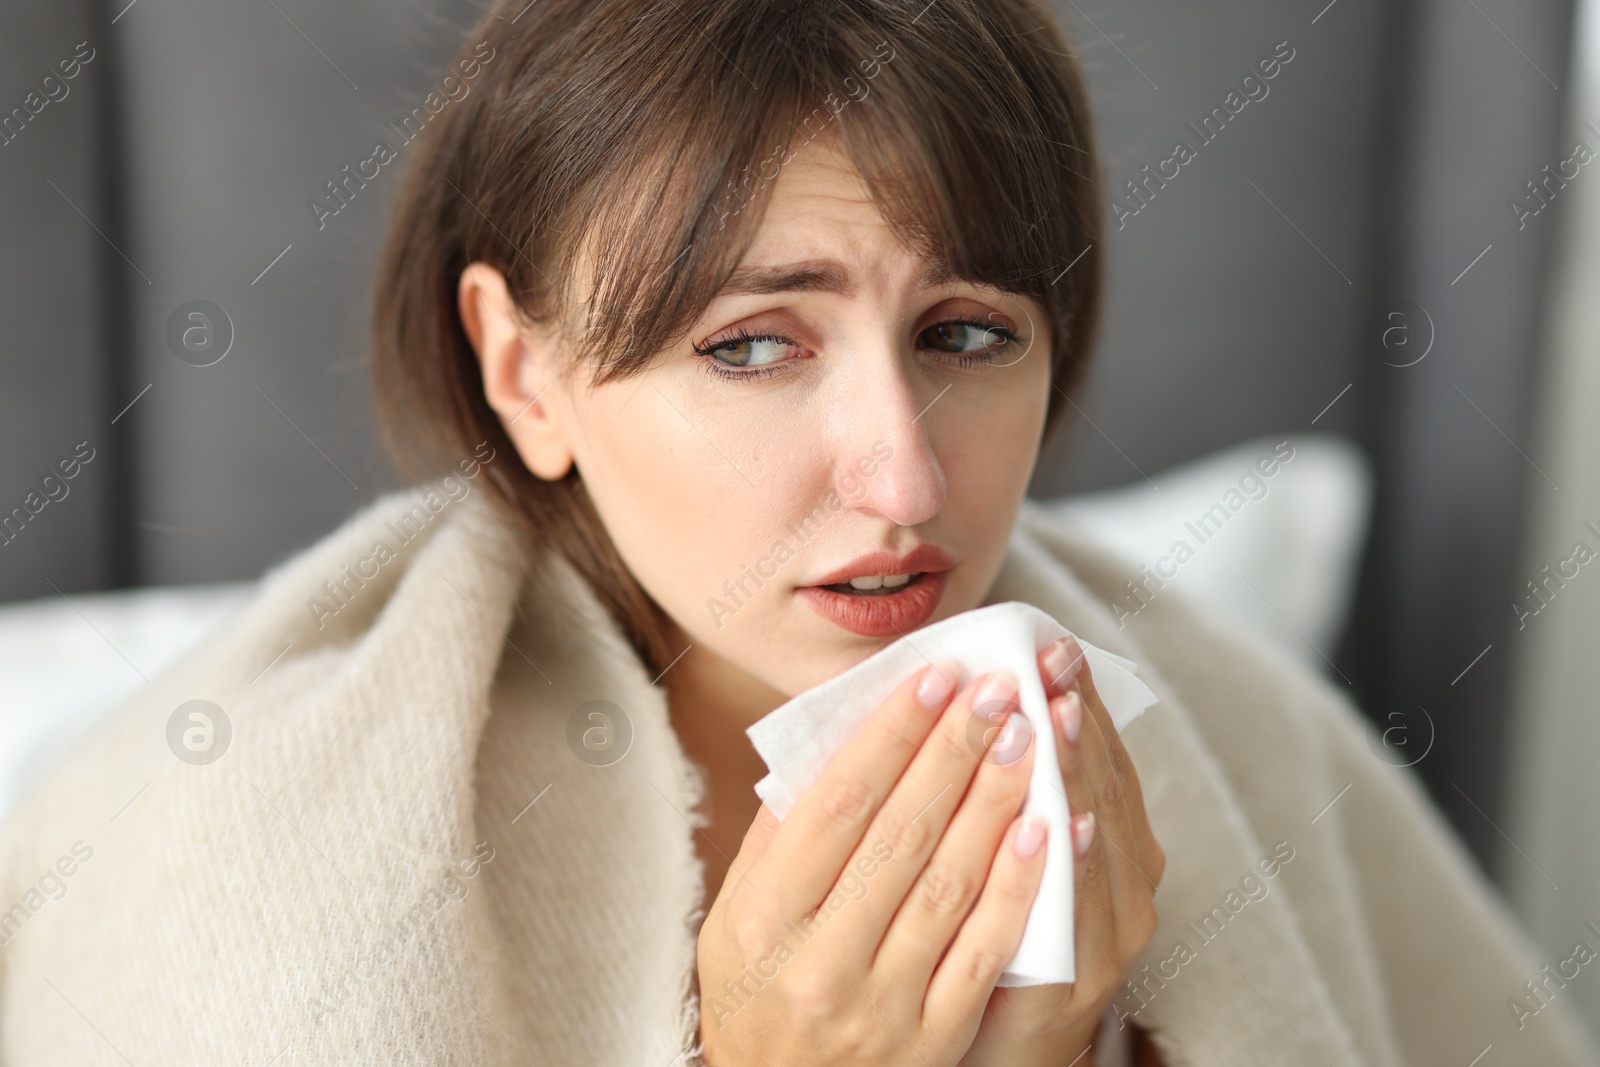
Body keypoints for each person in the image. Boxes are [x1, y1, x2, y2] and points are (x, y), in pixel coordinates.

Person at [0, 1, 1594, 1064]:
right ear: (522, 370)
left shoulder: (1239, 749)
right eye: (753, 344)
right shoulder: (240, 867)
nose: (904, 483)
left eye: (968, 334)